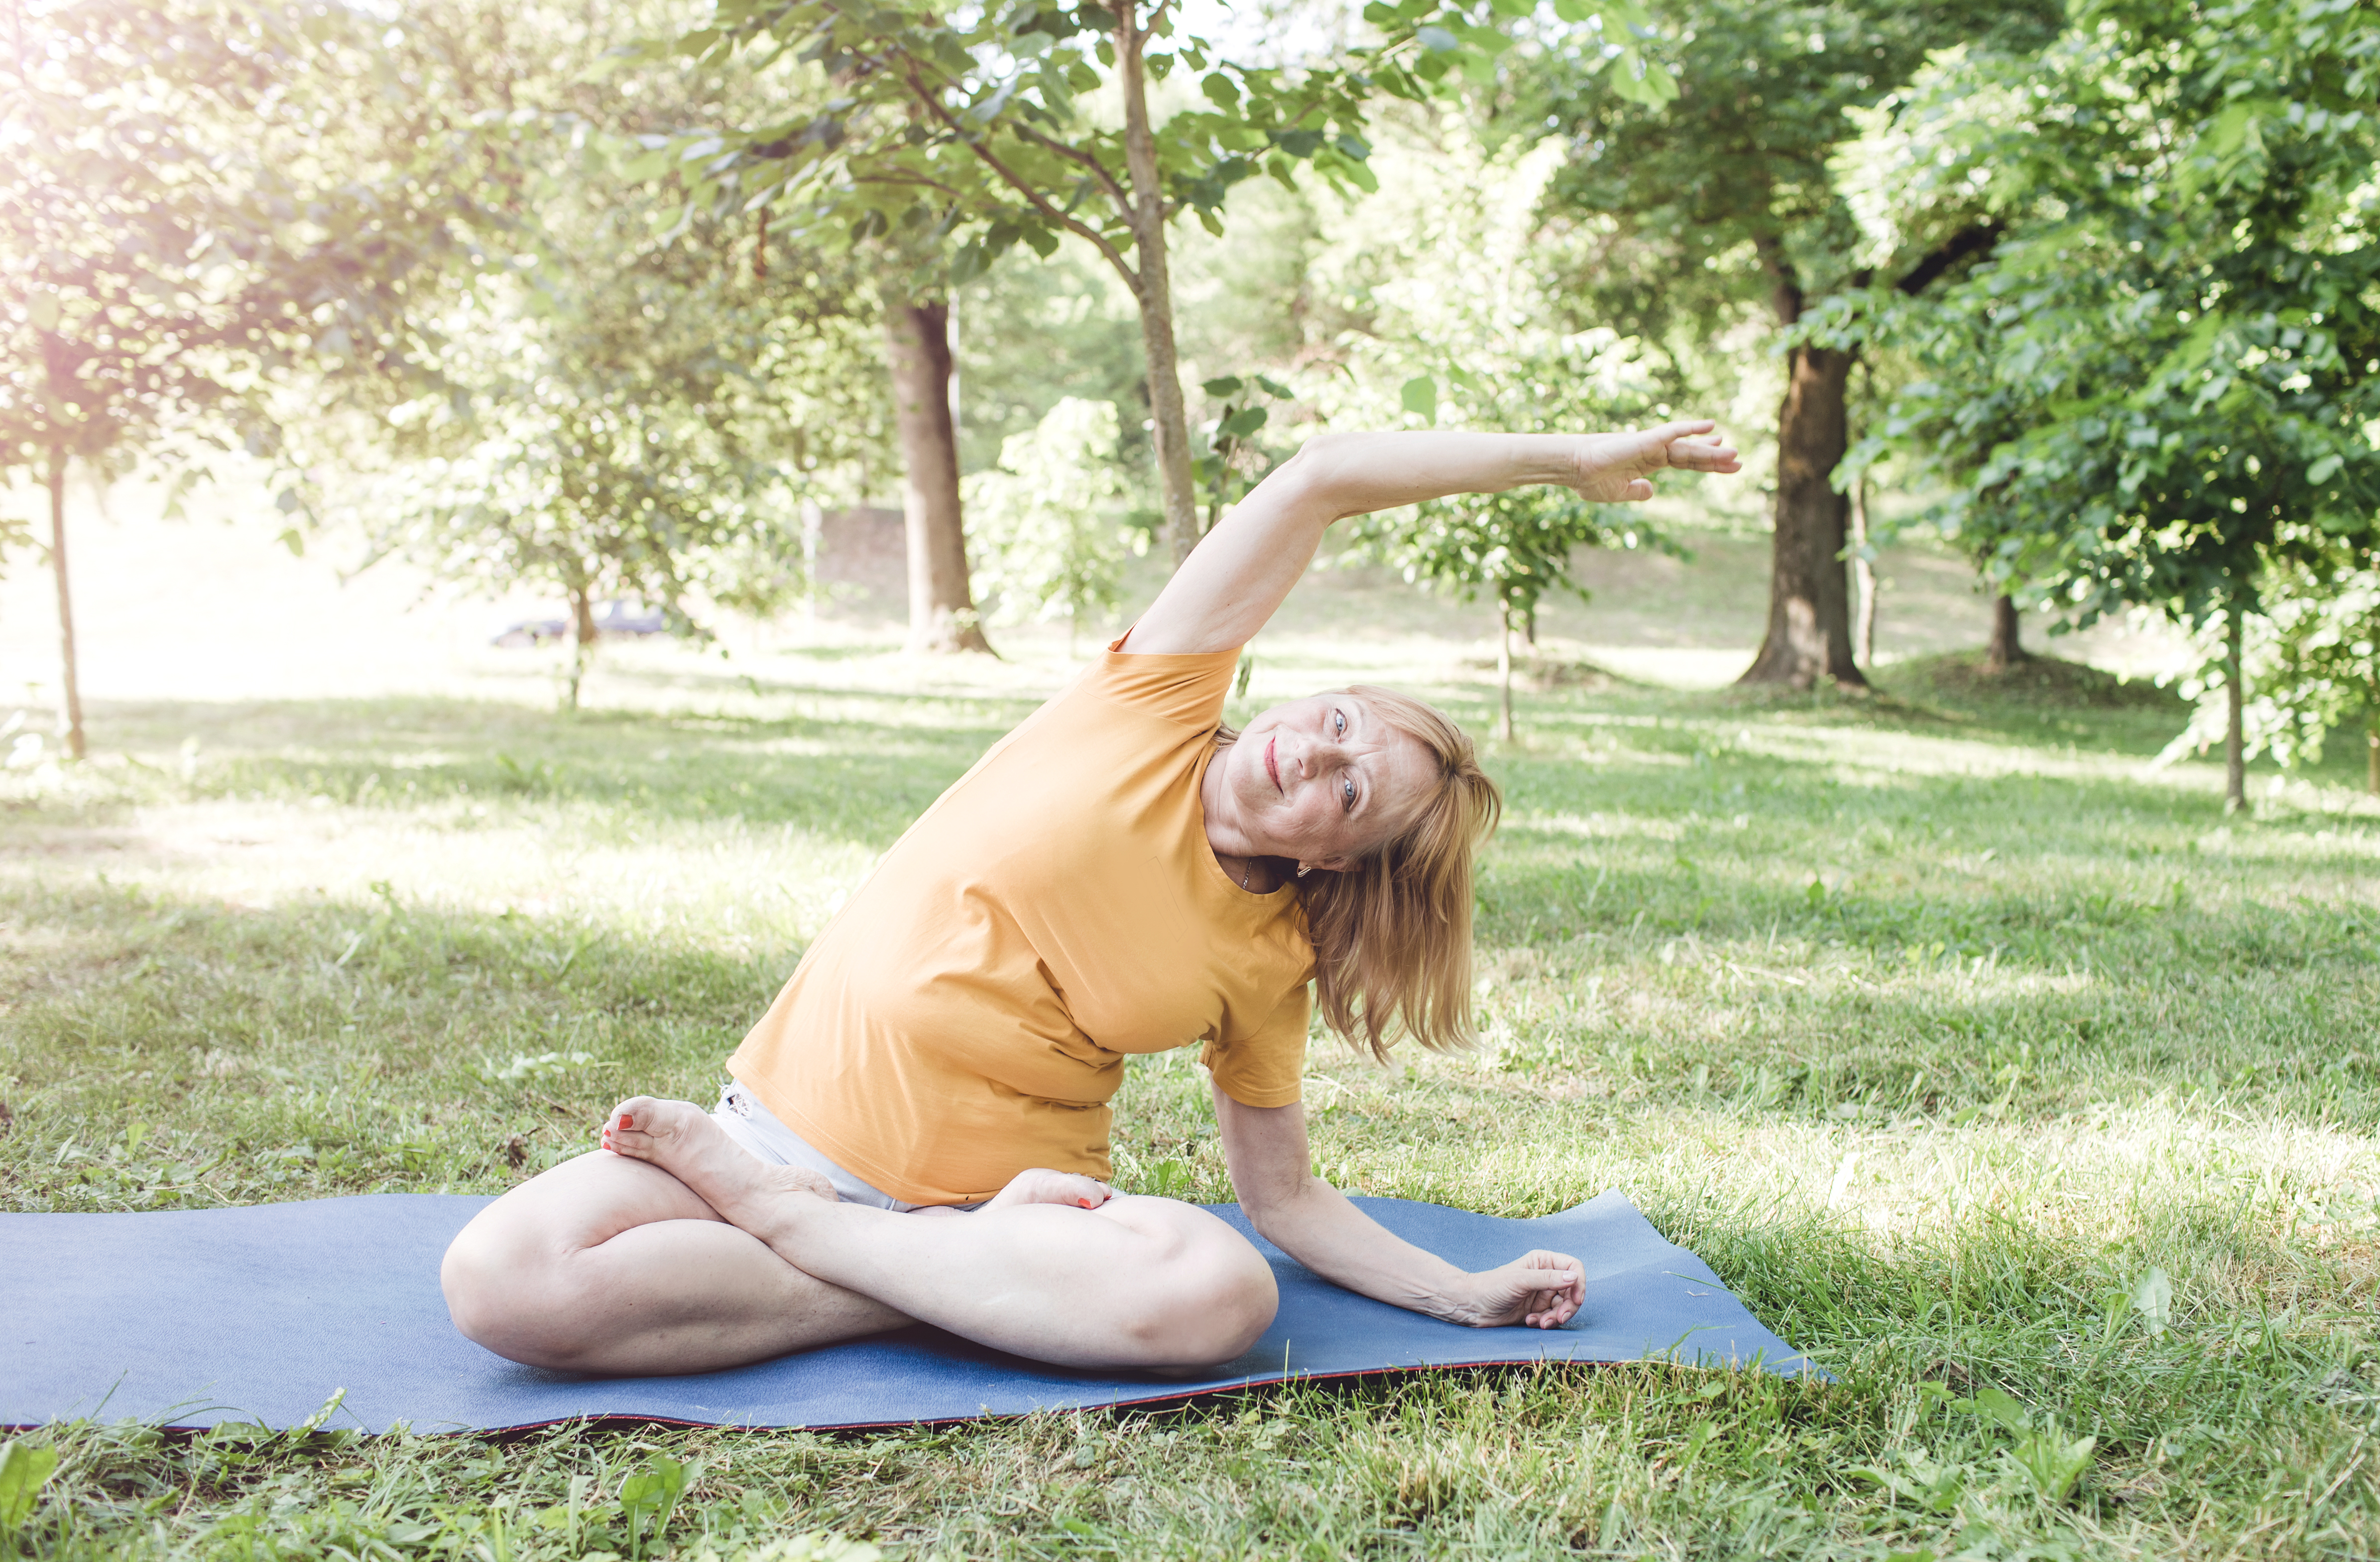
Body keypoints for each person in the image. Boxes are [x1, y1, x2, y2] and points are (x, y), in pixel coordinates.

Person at [440, 423, 1741, 1375]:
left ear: (1340, 858)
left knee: (1220, 1293)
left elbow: (1281, 1203)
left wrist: (1463, 1296)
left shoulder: (1270, 957)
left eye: (1348, 791)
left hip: (1015, 1221)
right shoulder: (1146, 705)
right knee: (506, 1283)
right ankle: (900, 1278)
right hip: (786, 1140)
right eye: (1337, 719)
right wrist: (1568, 458)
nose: (1314, 750)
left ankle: (832, 1252)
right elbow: (1319, 479)